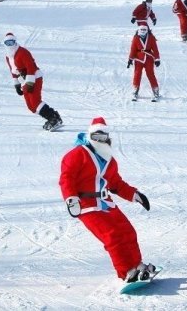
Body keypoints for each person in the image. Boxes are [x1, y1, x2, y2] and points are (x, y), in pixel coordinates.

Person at [59, 117, 156, 283]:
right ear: (90, 135)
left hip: (106, 203)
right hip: (86, 205)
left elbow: (116, 184)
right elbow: (66, 178)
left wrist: (135, 195)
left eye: (102, 137)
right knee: (112, 236)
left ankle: (137, 265)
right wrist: (71, 199)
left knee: (128, 231)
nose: (99, 141)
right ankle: (126, 271)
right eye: (96, 137)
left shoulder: (109, 160)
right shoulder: (77, 154)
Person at [3, 32, 63, 130]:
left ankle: (53, 118)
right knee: (31, 106)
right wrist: (17, 84)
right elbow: (13, 70)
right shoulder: (8, 56)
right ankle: (53, 116)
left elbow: (31, 67)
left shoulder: (22, 52)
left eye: (12, 42)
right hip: (24, 80)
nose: (10, 45)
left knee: (35, 102)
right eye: (7, 43)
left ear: (15, 42)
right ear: (4, 44)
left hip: (34, 78)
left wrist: (30, 83)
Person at [128, 25, 161, 101]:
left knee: (150, 74)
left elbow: (155, 49)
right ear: (139, 30)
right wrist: (130, 59)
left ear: (147, 30)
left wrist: (157, 59)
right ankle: (135, 89)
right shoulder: (136, 38)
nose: (143, 31)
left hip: (149, 58)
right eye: (141, 29)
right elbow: (133, 49)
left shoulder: (151, 38)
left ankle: (155, 90)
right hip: (138, 59)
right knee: (137, 74)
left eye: (144, 29)